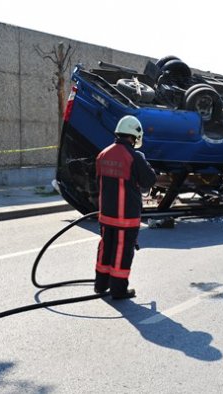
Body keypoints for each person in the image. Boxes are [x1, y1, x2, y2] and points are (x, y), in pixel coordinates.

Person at [94, 115, 157, 299]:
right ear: (134, 135)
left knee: (105, 248)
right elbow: (149, 180)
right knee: (122, 251)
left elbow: (98, 182)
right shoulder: (134, 157)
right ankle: (118, 290)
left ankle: (100, 285)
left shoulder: (103, 154)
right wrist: (144, 163)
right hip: (126, 217)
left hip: (106, 215)